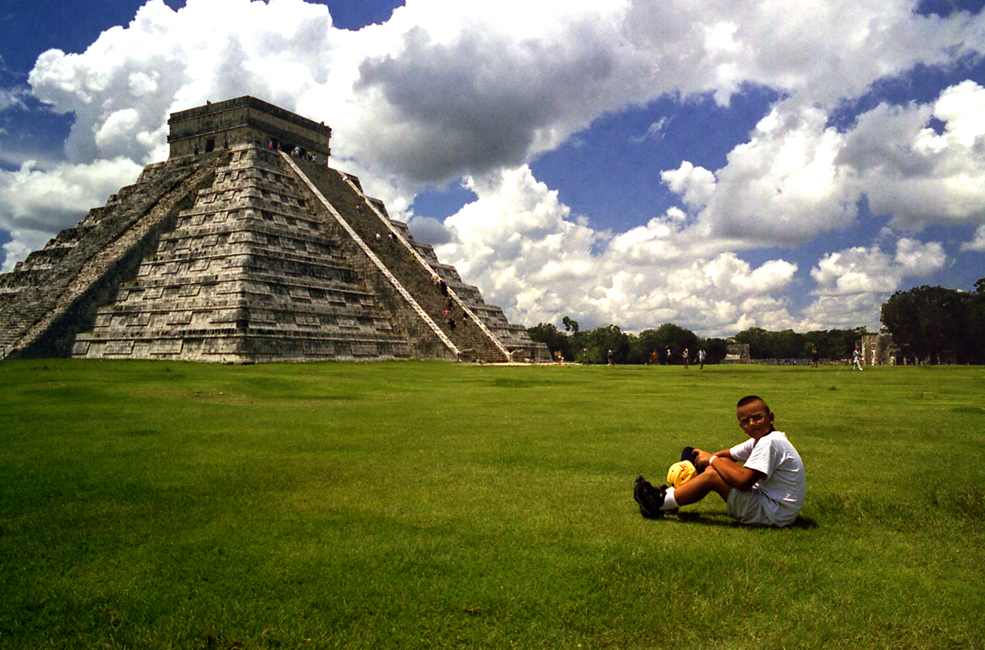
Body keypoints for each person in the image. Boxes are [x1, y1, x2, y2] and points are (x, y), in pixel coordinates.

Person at [633, 395, 806, 528]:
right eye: (746, 421)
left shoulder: (770, 442)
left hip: (773, 515)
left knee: (712, 476)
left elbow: (744, 482)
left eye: (757, 417)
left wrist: (711, 460)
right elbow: (727, 455)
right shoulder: (764, 438)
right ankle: (672, 496)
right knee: (713, 468)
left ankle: (658, 503)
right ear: (741, 427)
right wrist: (699, 464)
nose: (752, 424)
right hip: (777, 510)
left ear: (771, 417)